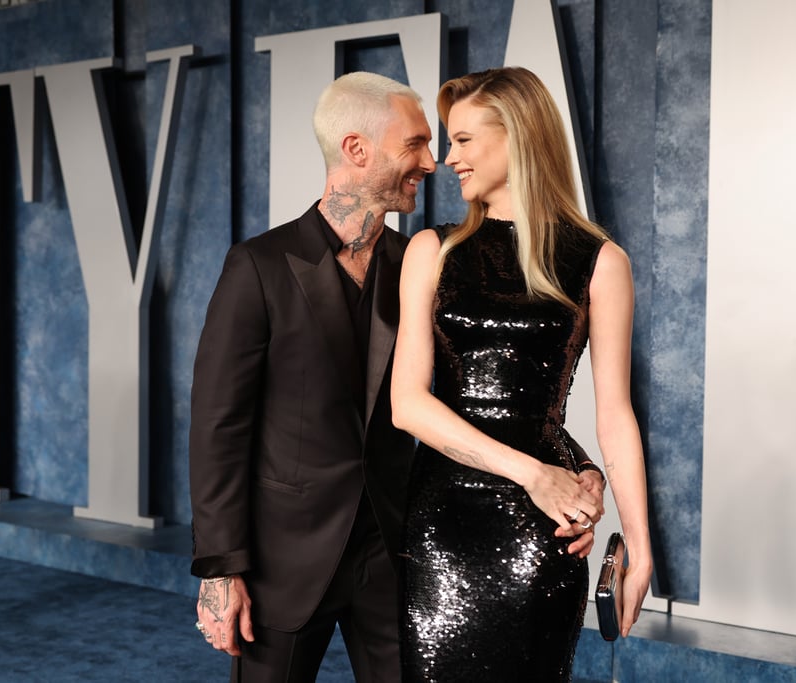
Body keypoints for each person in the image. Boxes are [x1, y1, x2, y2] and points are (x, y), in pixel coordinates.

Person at [391, 66, 653, 682]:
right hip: (442, 527)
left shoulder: (601, 261)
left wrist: (638, 544)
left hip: (543, 536)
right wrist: (536, 474)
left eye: (462, 140)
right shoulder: (432, 251)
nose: (447, 158)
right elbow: (408, 404)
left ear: (518, 135)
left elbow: (615, 413)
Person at [187, 71, 436, 682]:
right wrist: (222, 569)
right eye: (415, 145)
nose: (431, 162)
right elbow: (219, 426)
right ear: (357, 150)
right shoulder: (259, 266)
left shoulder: (419, 266)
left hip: (391, 553)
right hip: (283, 560)